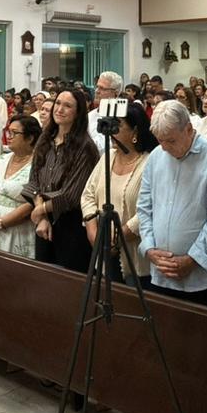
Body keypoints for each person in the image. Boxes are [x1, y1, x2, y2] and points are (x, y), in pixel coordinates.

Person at [137, 100, 207, 305]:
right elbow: (144, 207)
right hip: (160, 274)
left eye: (171, 141)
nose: (164, 147)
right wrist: (149, 248)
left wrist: (193, 259)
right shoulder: (156, 157)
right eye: (160, 140)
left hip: (202, 281)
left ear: (188, 129)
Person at [24, 89, 99, 273]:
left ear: (78, 112)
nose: (59, 109)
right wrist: (41, 215)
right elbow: (33, 181)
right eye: (57, 103)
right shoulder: (45, 138)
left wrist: (41, 209)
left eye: (67, 106)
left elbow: (72, 194)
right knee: (43, 276)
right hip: (44, 221)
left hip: (71, 224)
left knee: (68, 280)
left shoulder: (85, 147)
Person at [81, 104, 155, 281]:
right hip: (102, 250)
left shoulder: (151, 162)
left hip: (135, 258)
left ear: (135, 130)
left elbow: (152, 207)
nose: (110, 130)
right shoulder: (108, 157)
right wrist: (93, 233)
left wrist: (118, 238)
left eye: (117, 124)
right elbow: (88, 195)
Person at [0, 114, 40, 257]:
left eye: (14, 133)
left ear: (30, 138)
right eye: (8, 132)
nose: (9, 137)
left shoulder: (38, 165)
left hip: (17, 231)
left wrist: (2, 222)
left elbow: (32, 202)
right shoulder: (3, 159)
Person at [87, 71, 123, 151]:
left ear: (116, 93)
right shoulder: (89, 116)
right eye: (97, 87)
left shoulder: (121, 118)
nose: (97, 91)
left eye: (102, 88)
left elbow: (105, 146)